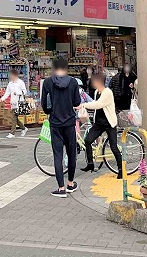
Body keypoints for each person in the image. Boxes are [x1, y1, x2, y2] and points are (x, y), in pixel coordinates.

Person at [41, 54, 81, 197]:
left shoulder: (47, 83)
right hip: (70, 122)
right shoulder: (73, 82)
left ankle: (61, 188)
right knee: (71, 154)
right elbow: (77, 102)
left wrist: (50, 111)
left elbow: (45, 106)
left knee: (58, 155)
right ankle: (70, 183)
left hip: (55, 123)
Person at [80, 72, 122, 178]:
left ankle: (121, 169)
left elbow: (98, 104)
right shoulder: (97, 92)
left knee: (113, 147)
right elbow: (94, 102)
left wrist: (83, 105)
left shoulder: (107, 92)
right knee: (88, 140)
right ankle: (90, 164)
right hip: (99, 123)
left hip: (109, 123)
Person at [2, 68, 29, 138]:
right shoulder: (10, 83)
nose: (10, 77)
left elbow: (24, 92)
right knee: (15, 117)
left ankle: (12, 133)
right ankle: (23, 128)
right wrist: (2, 98)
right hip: (13, 102)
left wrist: (17, 93)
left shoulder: (20, 82)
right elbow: (7, 92)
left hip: (19, 103)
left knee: (14, 117)